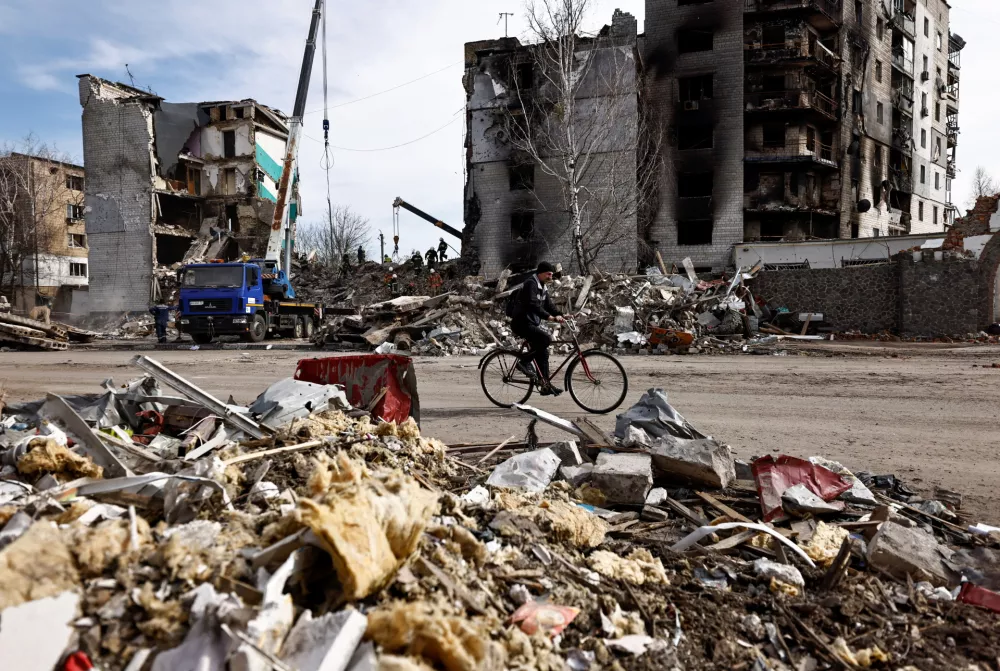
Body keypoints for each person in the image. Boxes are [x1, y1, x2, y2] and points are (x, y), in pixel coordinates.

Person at [509, 261, 565, 396]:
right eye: (548, 274)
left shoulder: (542, 286)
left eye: (551, 274)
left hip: (531, 323)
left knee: (543, 353)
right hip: (521, 323)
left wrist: (562, 315)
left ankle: (545, 385)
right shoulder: (531, 284)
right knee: (546, 339)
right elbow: (533, 304)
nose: (550, 277)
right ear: (540, 273)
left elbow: (549, 306)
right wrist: (549, 318)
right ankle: (524, 362)